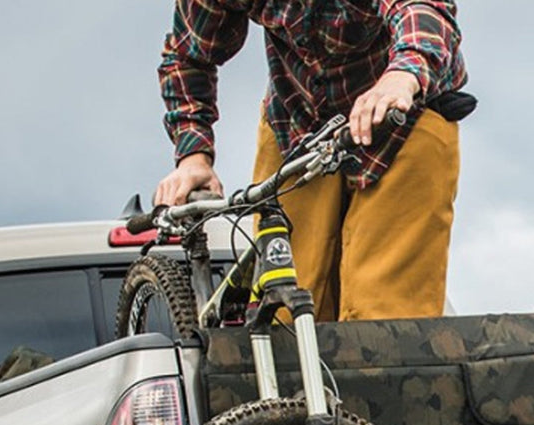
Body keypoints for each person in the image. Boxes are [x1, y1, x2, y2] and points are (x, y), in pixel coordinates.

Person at [153, 1, 472, 322]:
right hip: (296, 121)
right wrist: (194, 157)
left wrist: (403, 74)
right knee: (288, 307)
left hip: (405, 116)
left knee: (382, 312)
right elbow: (188, 56)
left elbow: (421, 8)